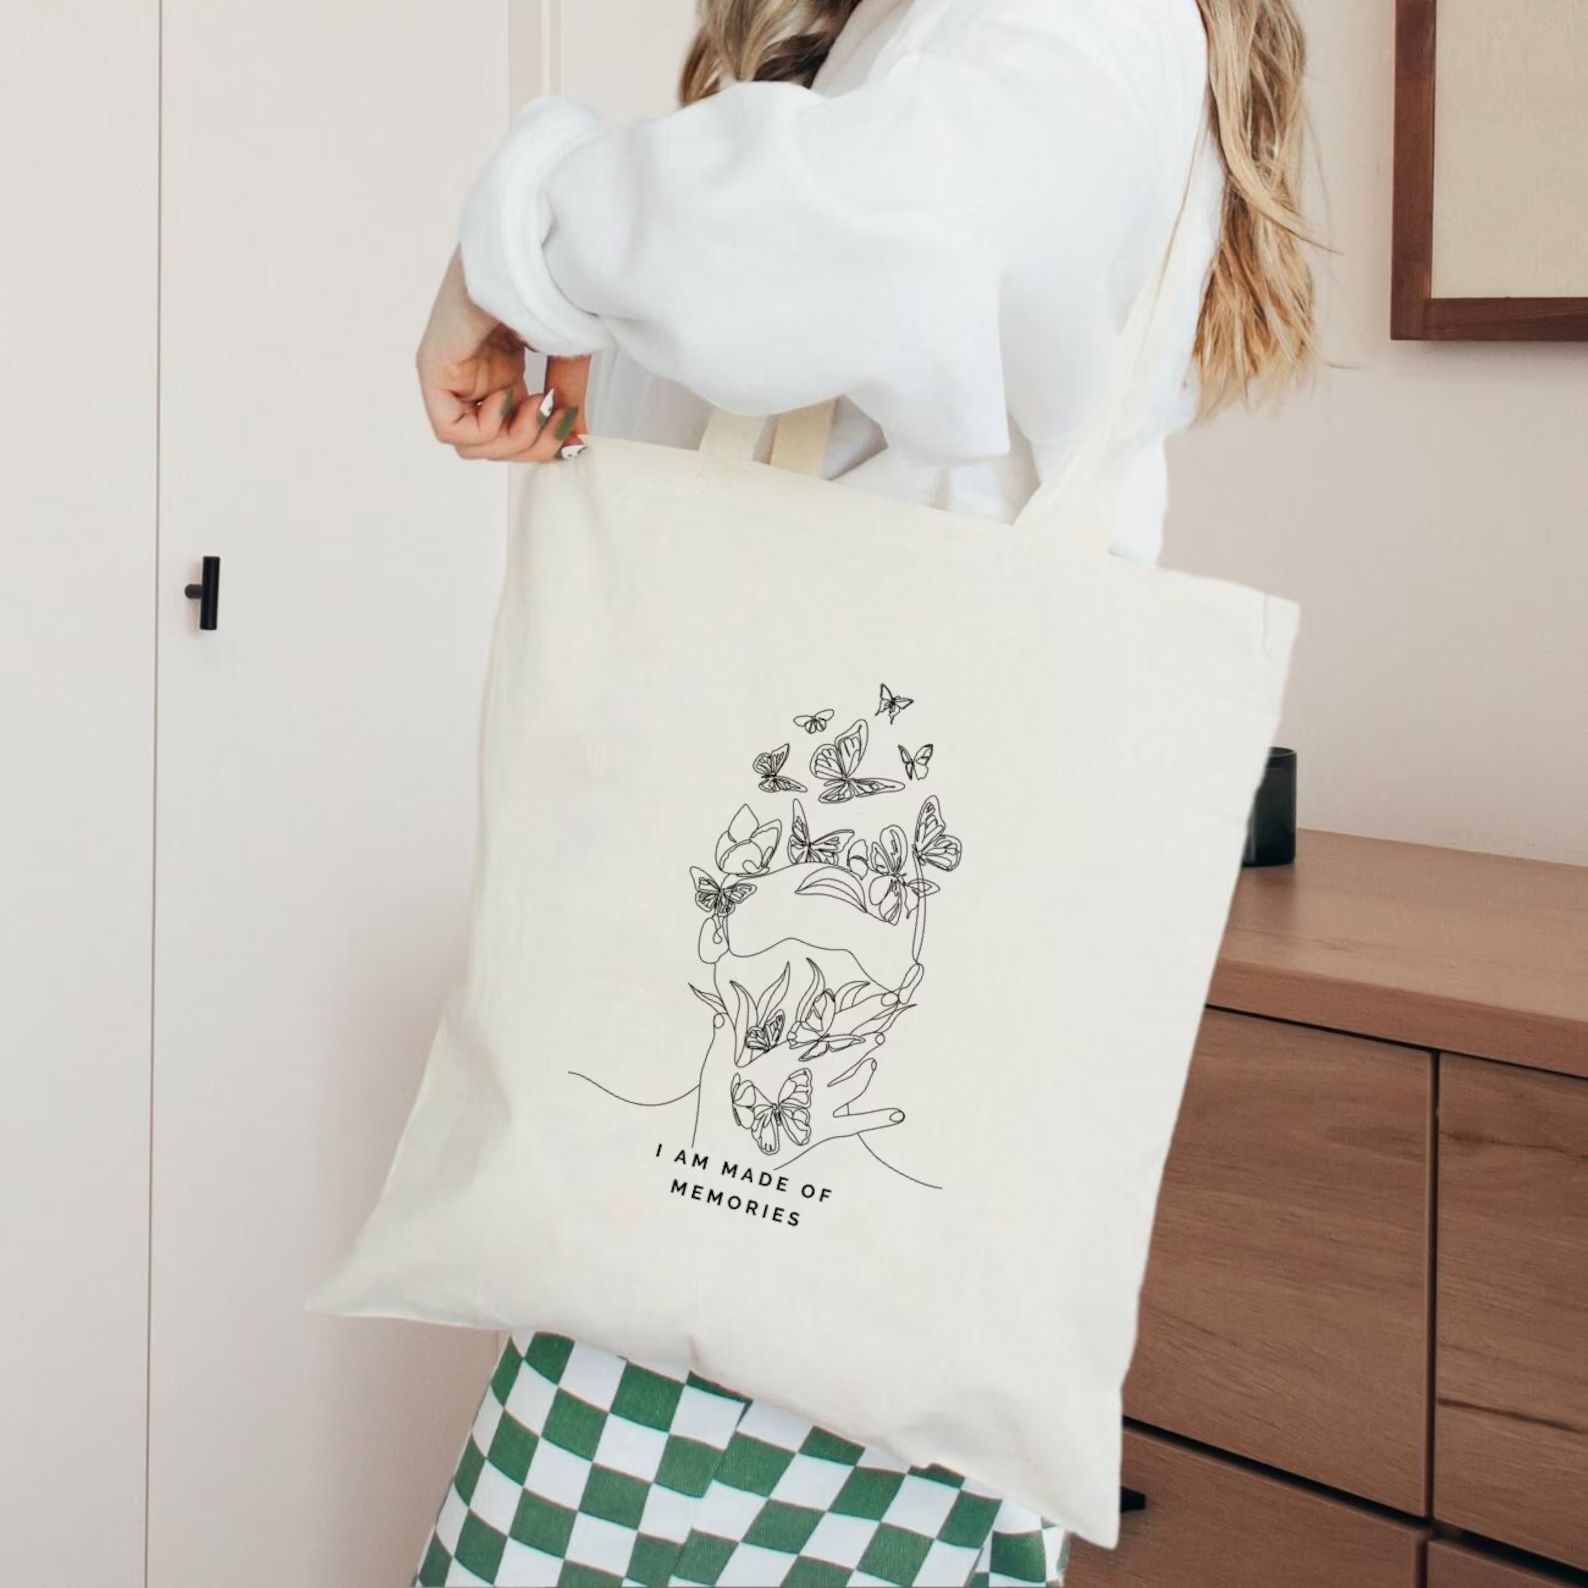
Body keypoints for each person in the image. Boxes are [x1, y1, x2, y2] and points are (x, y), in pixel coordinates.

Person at [411, 1, 1315, 1582]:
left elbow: (886, 233)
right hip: (709, 1215)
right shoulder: (905, 33)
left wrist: (521, 231)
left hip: (801, 1274)